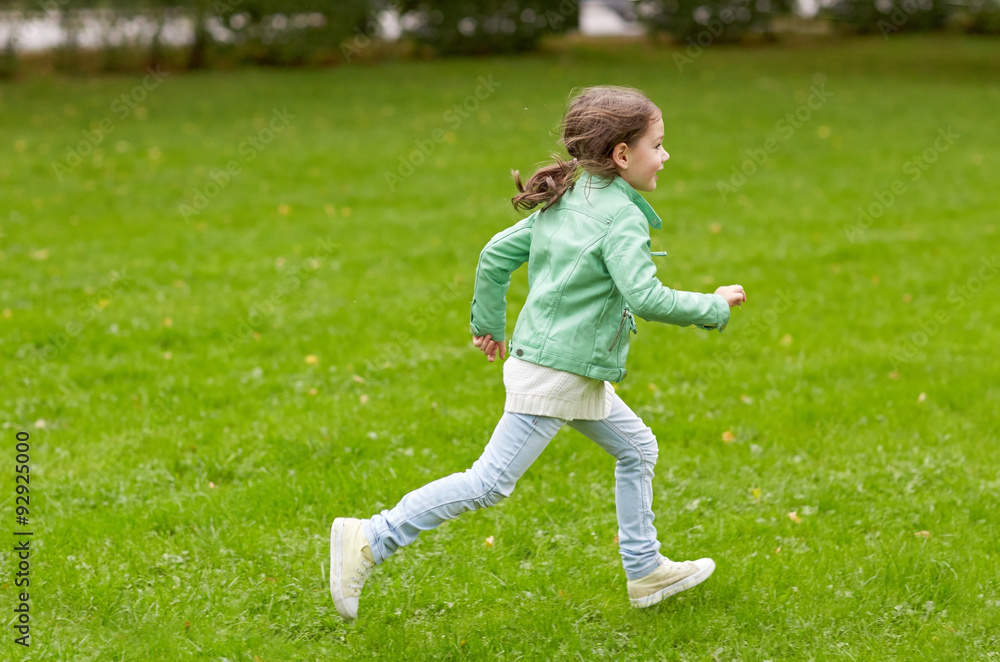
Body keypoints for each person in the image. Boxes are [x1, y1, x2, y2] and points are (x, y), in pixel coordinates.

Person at [330, 85, 747, 620]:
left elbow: (494, 254)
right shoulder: (621, 217)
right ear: (622, 154)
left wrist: (487, 325)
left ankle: (645, 570)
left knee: (637, 449)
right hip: (558, 373)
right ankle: (370, 537)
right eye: (658, 145)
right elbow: (645, 296)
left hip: (563, 366)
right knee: (488, 483)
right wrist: (712, 305)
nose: (665, 156)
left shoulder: (571, 196)